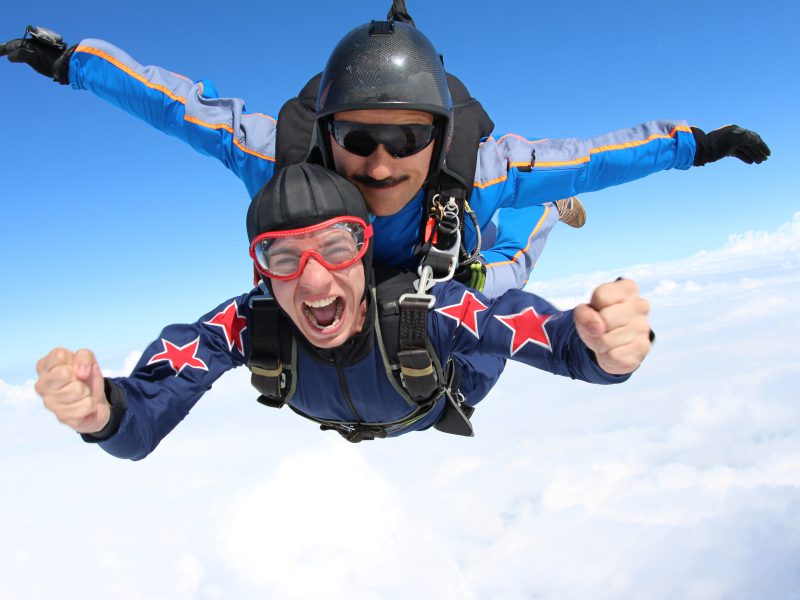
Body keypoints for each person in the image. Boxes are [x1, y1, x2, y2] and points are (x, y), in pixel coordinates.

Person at [1, 19, 770, 296]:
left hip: (460, 256)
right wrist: (71, 59)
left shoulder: (488, 167)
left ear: (439, 136)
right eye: (359, 137)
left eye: (406, 139)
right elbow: (177, 105)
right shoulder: (282, 159)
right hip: (365, 281)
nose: (378, 163)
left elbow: (600, 155)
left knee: (495, 275)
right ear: (326, 130)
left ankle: (546, 218)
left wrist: (696, 145)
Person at [34, 163, 653, 458]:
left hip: (453, 378)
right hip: (408, 402)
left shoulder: (428, 311)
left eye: (336, 246)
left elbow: (529, 327)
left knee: (505, 265)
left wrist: (599, 348)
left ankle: (543, 204)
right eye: (282, 257)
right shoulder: (252, 325)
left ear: (364, 252)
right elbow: (142, 420)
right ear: (259, 272)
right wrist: (103, 413)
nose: (313, 277)